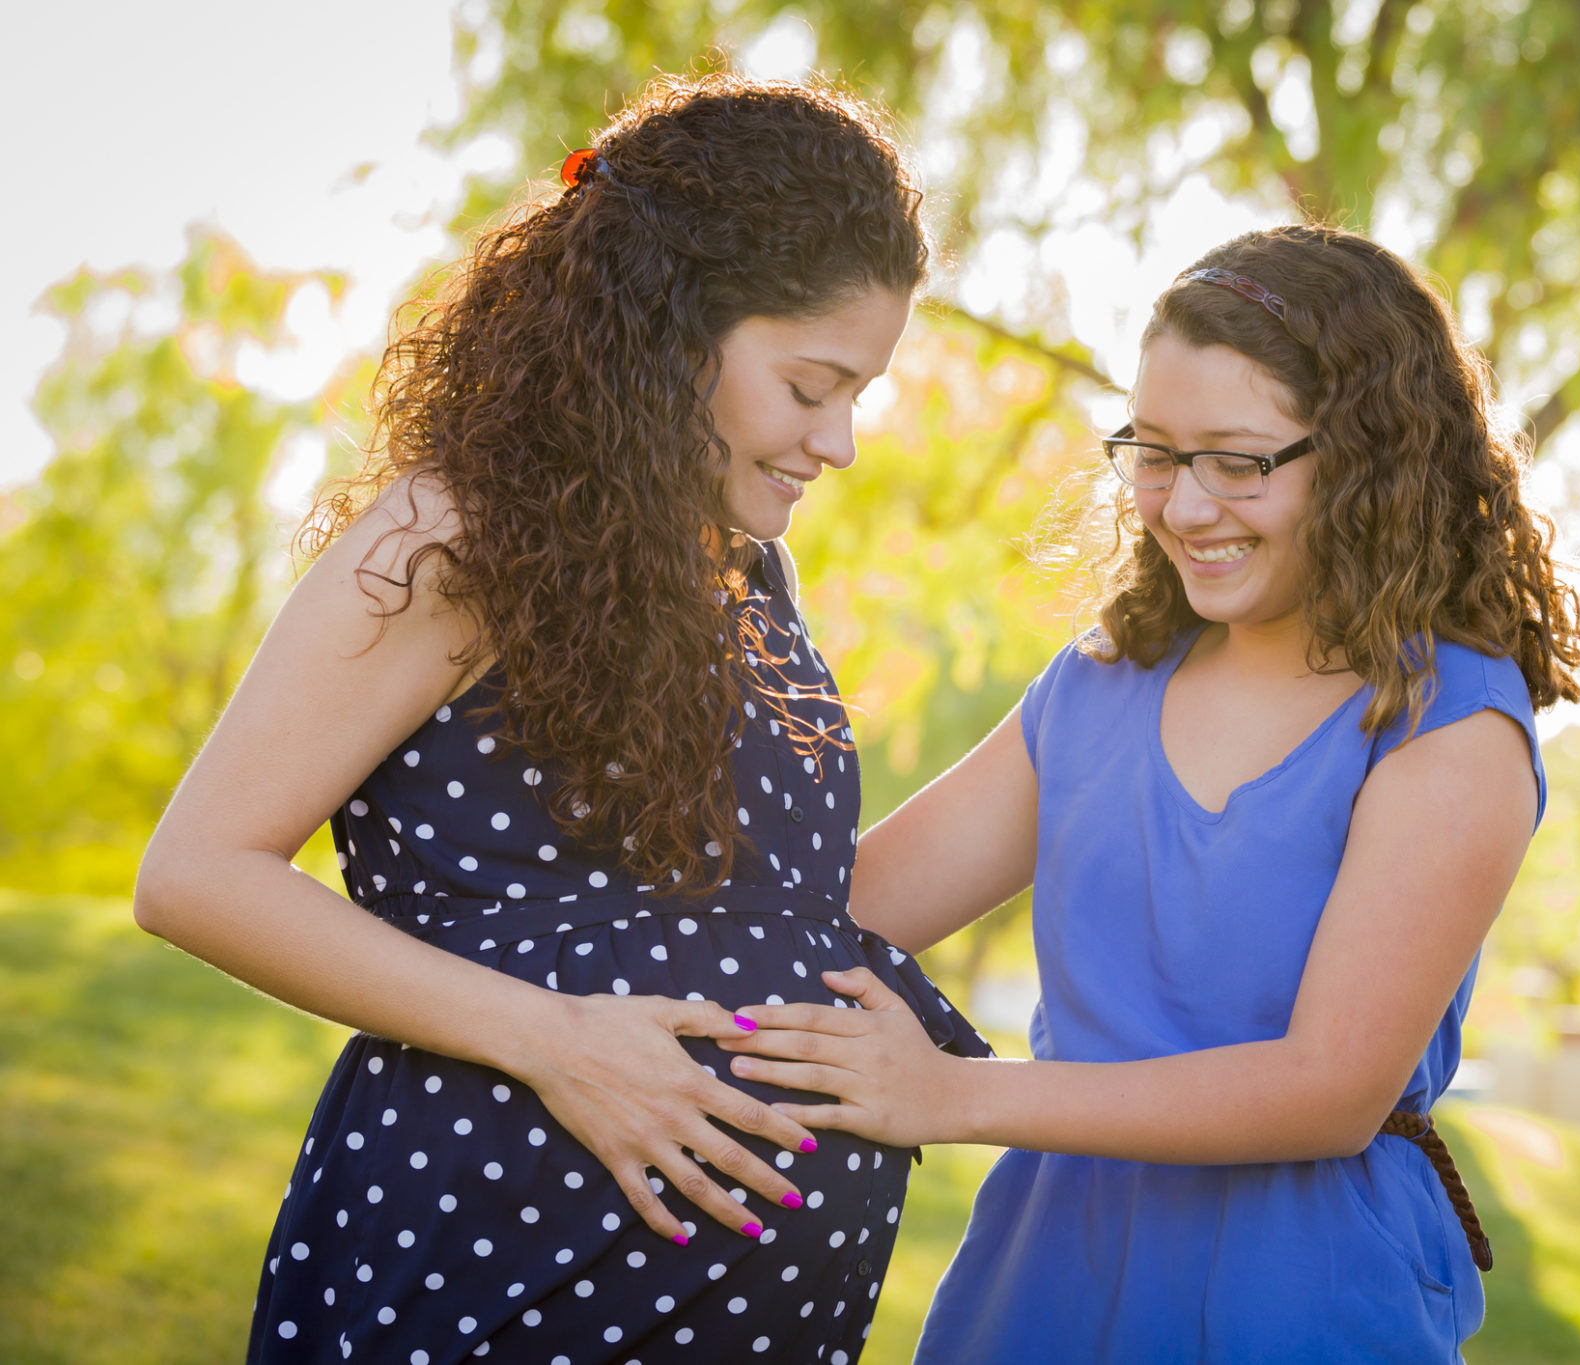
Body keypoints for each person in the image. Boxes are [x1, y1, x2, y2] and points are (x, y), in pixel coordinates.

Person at [134, 72, 988, 1365]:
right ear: (673, 327)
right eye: (812, 384)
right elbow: (196, 874)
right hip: (493, 1268)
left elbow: (759, 916)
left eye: (858, 393)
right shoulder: (453, 540)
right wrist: (559, 1040)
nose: (841, 440)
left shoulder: (749, 572)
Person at [718, 225, 1580, 1362]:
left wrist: (954, 1095)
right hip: (1041, 1288)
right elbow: (832, 920)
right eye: (1154, 453)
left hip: (1299, 1297)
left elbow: (1324, 1089)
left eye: (1239, 461)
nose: (1184, 508)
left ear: (1371, 460)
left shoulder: (1448, 721)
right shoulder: (1096, 686)